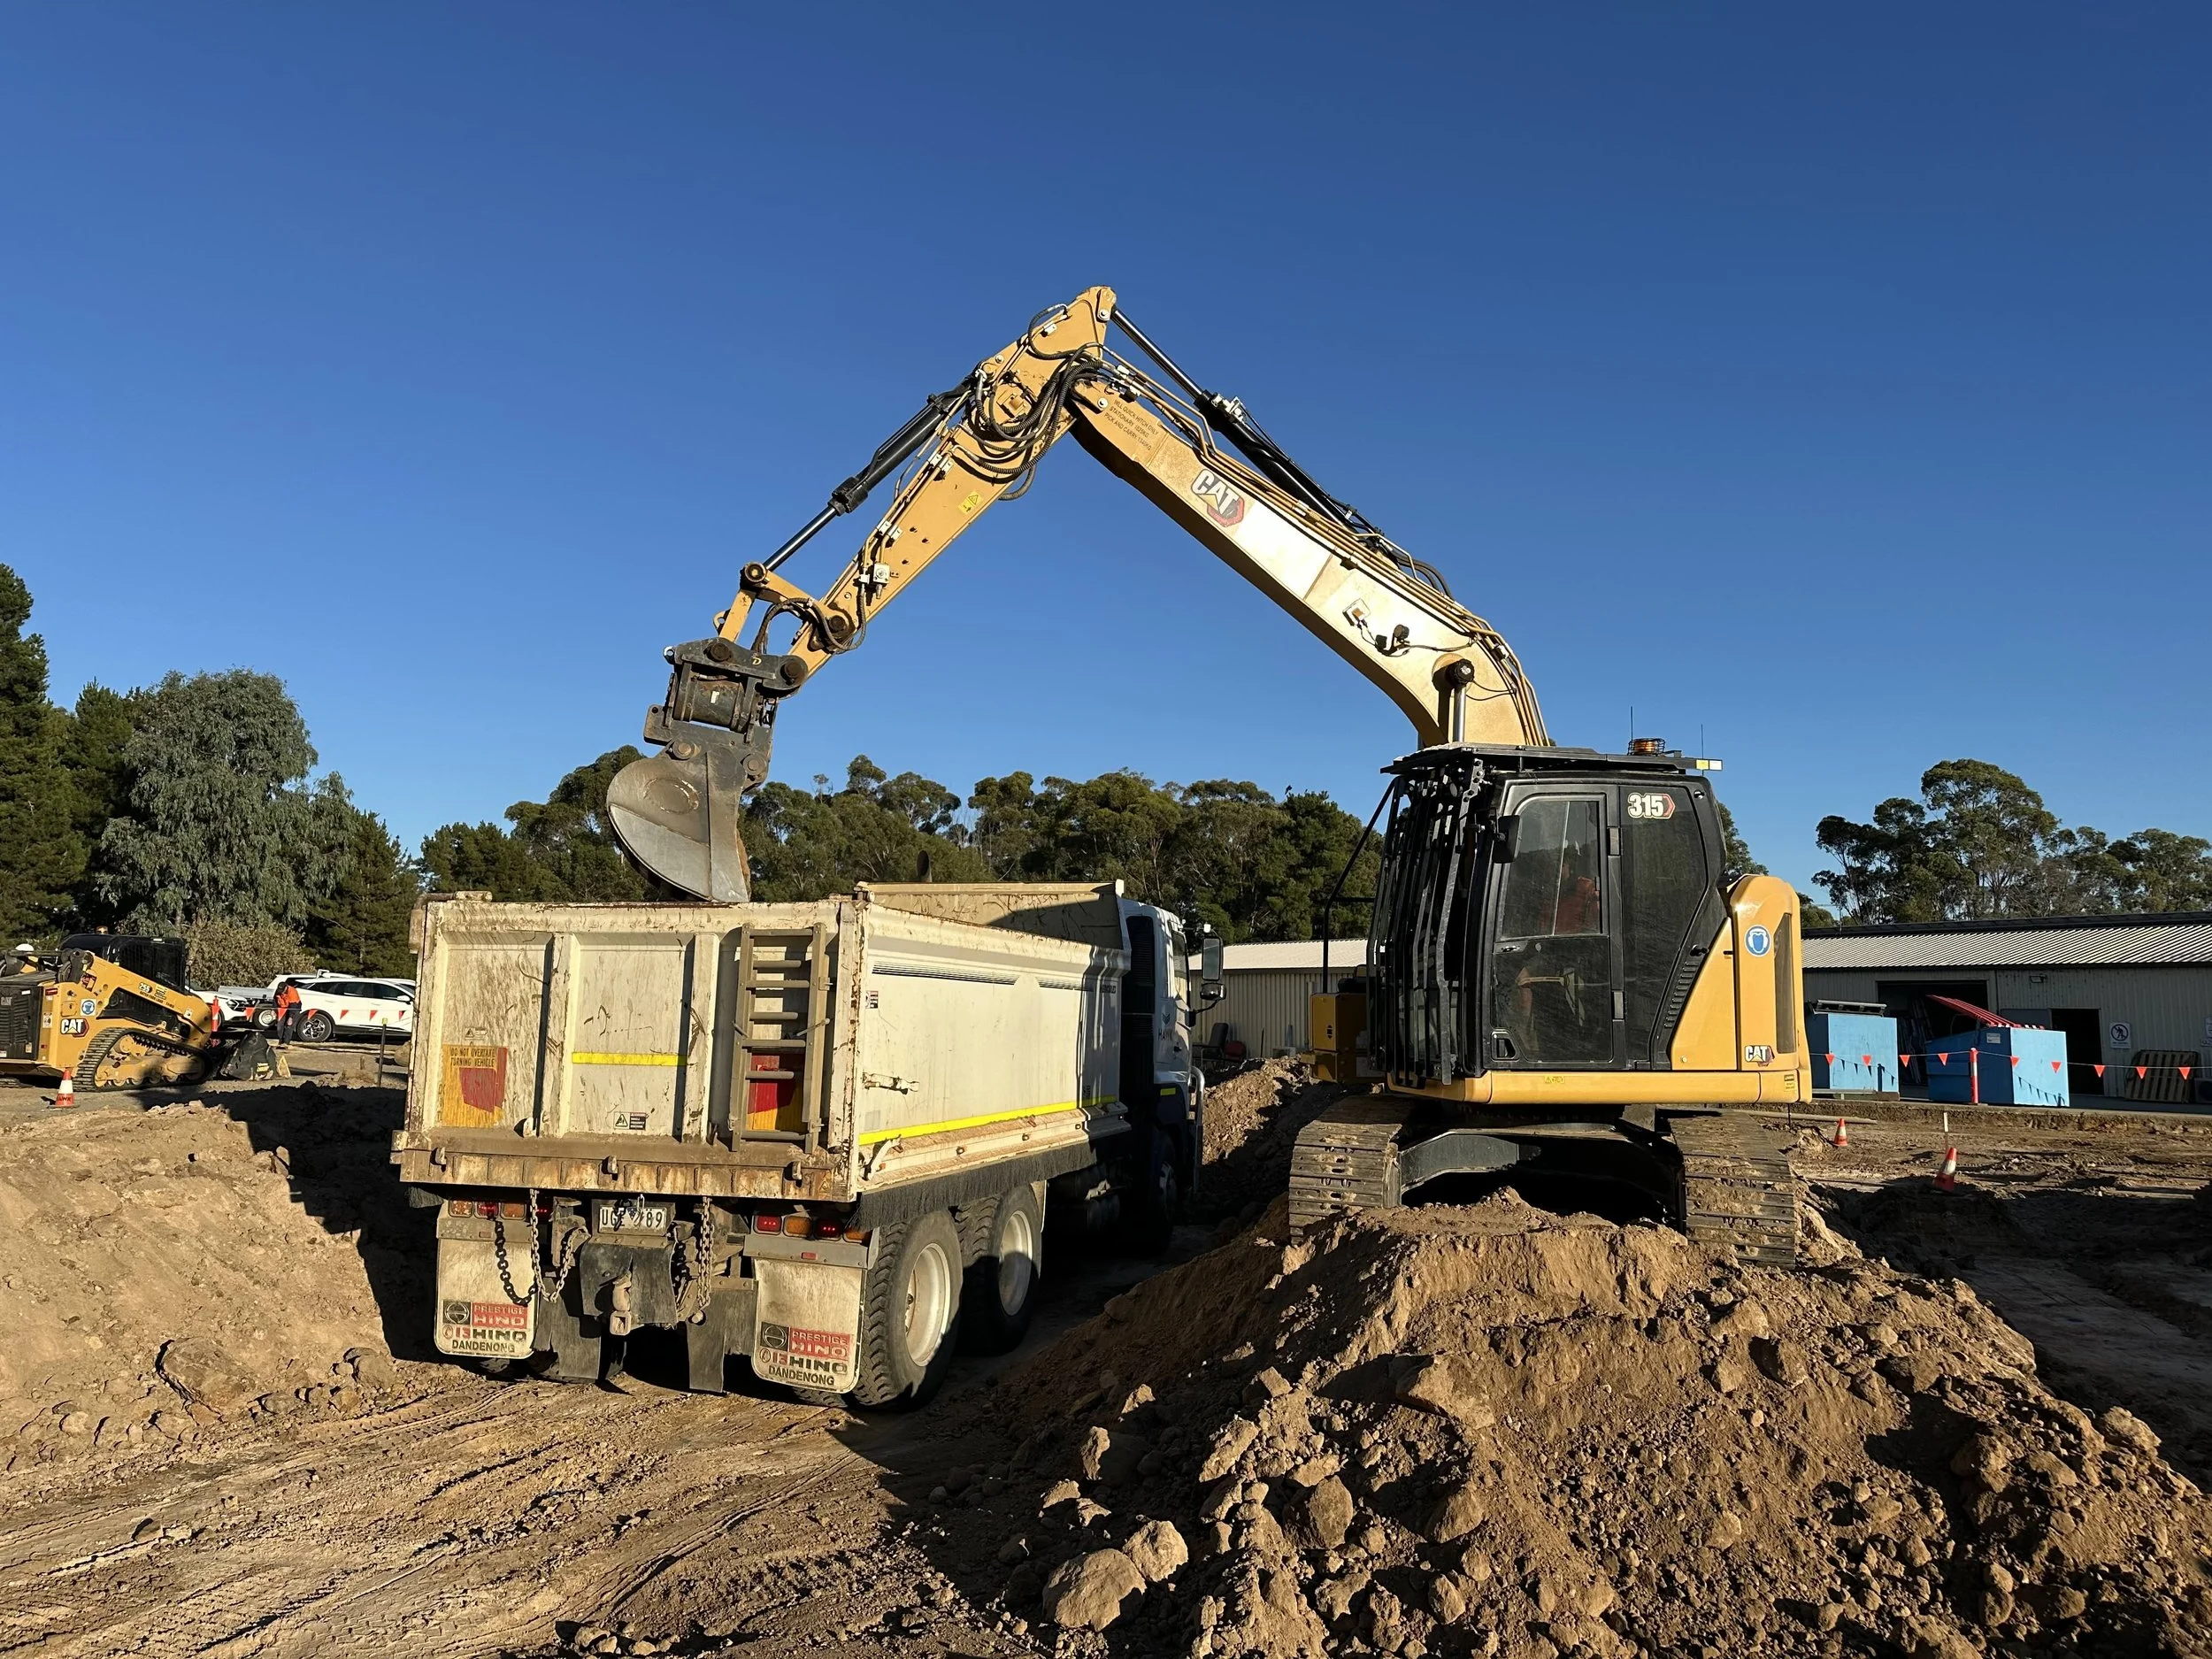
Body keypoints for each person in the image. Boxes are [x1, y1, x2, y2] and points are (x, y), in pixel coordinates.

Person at [273, 979, 303, 1043]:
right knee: (279, 1026)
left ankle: (286, 1042)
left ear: (286, 987)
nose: (281, 992)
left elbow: (293, 1006)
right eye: (280, 991)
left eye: (282, 990)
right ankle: (280, 1041)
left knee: (289, 1026)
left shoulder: (292, 991)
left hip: (294, 1009)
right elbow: (275, 1000)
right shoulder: (278, 991)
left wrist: (290, 1017)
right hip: (283, 1008)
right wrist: (274, 1010)